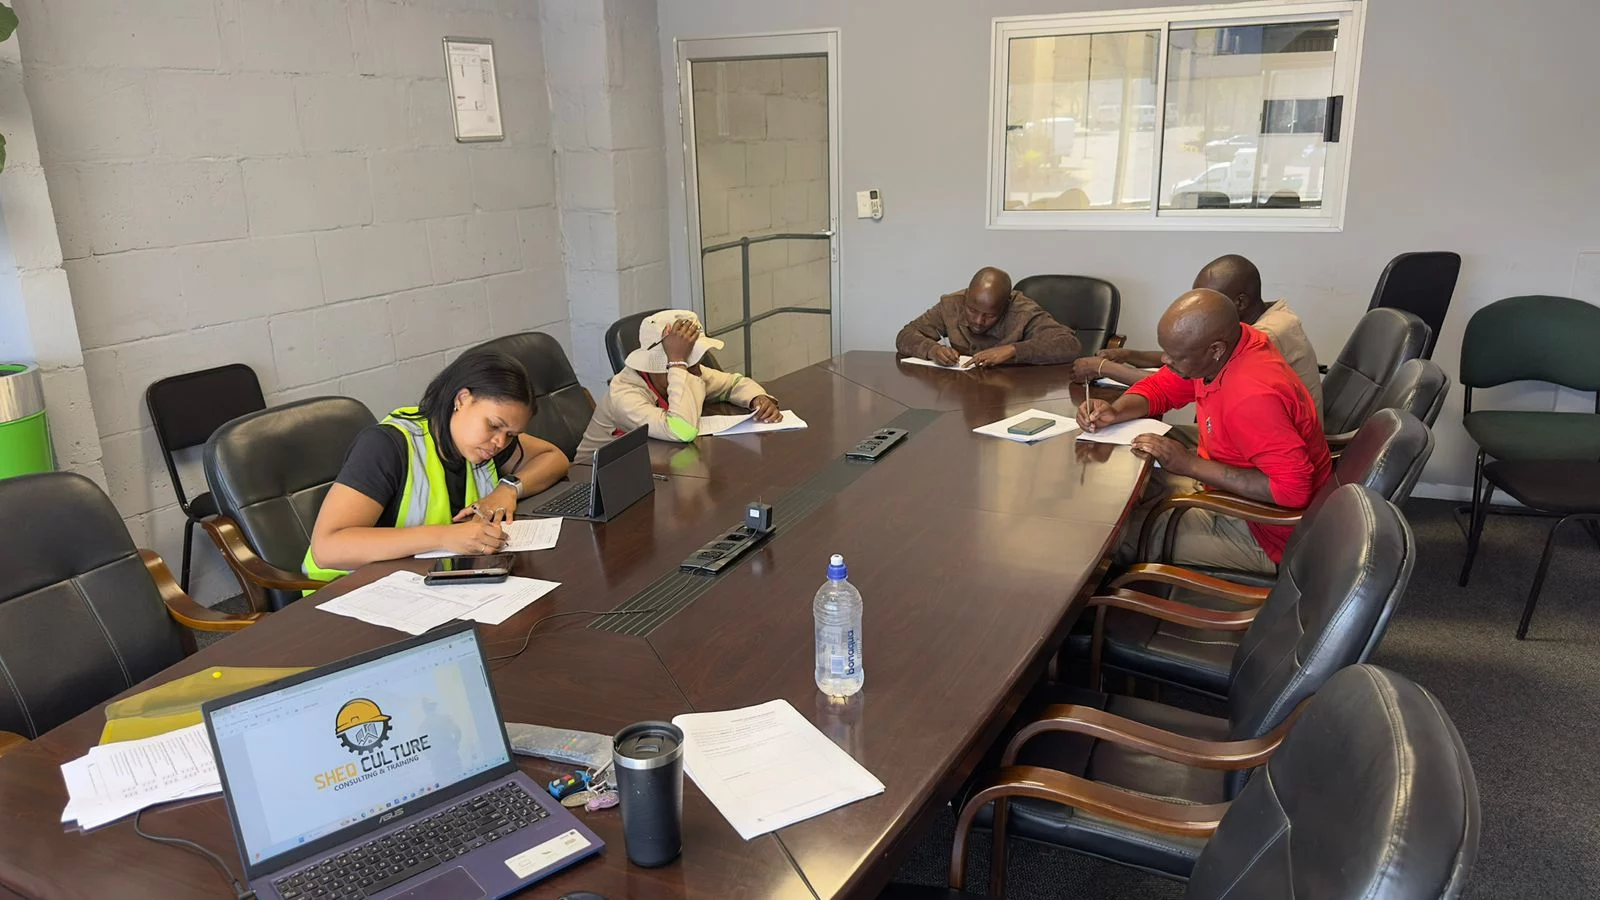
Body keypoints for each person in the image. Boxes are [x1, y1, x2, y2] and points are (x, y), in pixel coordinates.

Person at [1077, 289, 1331, 574]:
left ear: (1216, 349)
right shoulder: (1232, 346)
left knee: (1113, 537)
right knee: (1128, 491)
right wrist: (1117, 411)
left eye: (1176, 356)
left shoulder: (1252, 397)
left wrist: (1191, 465)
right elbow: (1161, 386)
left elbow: (1292, 491)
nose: (1165, 359)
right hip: (1236, 489)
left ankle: (1105, 612)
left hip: (1269, 533)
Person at [305, 350, 570, 582]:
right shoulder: (386, 447)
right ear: (462, 399)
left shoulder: (485, 444)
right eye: (493, 425)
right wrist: (443, 537)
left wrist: (508, 489)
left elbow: (553, 457)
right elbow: (327, 548)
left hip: (422, 583)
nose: (500, 442)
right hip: (343, 594)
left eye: (511, 434)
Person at [1076, 254, 1323, 416]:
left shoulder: (1264, 336)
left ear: (1239, 302)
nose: (1202, 306)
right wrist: (1130, 354)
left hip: (1260, 452)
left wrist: (1103, 368)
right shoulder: (1261, 317)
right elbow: (1186, 363)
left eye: (1211, 298)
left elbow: (1185, 376)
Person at [576, 310, 780, 457]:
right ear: (665, 364)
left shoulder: (685, 372)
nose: (697, 370)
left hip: (650, 465)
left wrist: (757, 398)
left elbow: (733, 383)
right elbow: (682, 430)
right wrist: (678, 362)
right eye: (689, 362)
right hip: (591, 484)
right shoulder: (624, 394)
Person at [895, 266, 1082, 367]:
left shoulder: (1023, 311)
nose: (978, 321)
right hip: (962, 390)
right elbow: (905, 335)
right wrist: (932, 349)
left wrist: (1013, 350)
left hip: (1012, 391)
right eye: (972, 310)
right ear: (967, 296)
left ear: (1006, 305)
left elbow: (1069, 345)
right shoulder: (952, 304)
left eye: (989, 315)